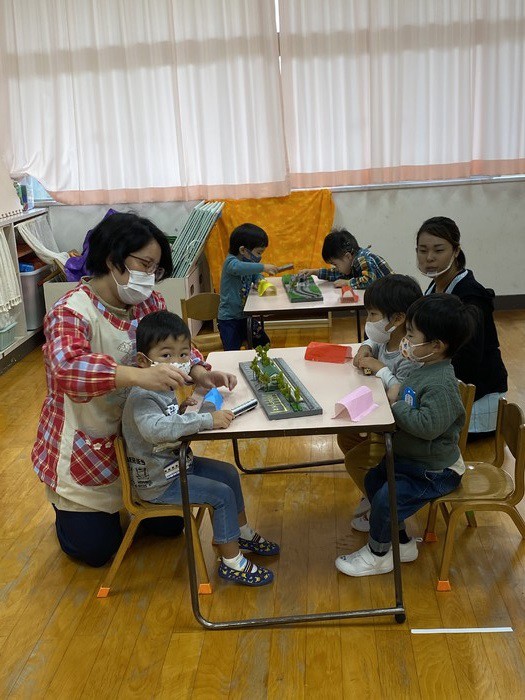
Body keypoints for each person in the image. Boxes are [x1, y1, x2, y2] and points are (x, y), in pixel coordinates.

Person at [32, 212, 237, 568]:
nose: (151, 277)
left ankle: (133, 505)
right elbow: (67, 369)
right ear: (113, 261)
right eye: (145, 264)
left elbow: (175, 341)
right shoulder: (71, 311)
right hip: (91, 446)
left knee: (171, 528)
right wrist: (135, 376)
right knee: (94, 551)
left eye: (156, 270)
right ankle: (73, 515)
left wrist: (199, 369)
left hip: (146, 452)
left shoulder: (149, 303)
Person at [122, 310, 279, 586]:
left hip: (178, 465)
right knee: (221, 494)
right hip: (158, 482)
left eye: (183, 355)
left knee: (229, 474)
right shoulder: (142, 395)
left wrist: (187, 407)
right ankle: (232, 561)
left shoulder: (165, 388)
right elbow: (155, 429)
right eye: (167, 355)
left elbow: (170, 422)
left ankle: (240, 532)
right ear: (143, 362)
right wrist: (205, 419)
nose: (179, 363)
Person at [335, 294, 476, 577]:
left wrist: (395, 405)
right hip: (412, 460)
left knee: (388, 499)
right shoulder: (424, 368)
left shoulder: (441, 384)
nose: (406, 341)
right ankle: (401, 542)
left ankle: (377, 554)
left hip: (435, 471)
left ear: (436, 346)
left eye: (411, 336)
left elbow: (427, 426)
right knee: (375, 480)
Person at [340, 274, 423, 532]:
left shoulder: (411, 352)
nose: (369, 321)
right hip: (384, 418)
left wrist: (380, 369)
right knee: (347, 437)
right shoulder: (387, 338)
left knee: (354, 460)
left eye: (373, 315)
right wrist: (365, 348)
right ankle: (374, 487)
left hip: (405, 430)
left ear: (397, 319)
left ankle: (384, 506)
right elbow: (375, 341)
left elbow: (403, 392)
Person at [416, 216, 508, 438]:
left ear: (456, 251)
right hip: (447, 385)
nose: (429, 258)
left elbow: (468, 362)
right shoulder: (436, 285)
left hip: (476, 399)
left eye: (439, 250)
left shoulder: (471, 295)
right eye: (422, 250)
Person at [217, 223, 278, 351]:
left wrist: (259, 281)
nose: (260, 257)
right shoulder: (231, 262)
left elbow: (255, 274)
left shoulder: (248, 262)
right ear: (243, 250)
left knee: (263, 342)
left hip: (246, 316)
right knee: (231, 352)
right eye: (259, 252)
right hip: (229, 320)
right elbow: (238, 268)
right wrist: (264, 267)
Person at [298, 228, 392, 289]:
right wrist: (314, 272)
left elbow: (370, 281)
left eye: (335, 264)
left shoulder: (362, 259)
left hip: (395, 300)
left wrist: (347, 283)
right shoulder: (350, 263)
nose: (336, 268)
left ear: (348, 256)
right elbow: (337, 274)